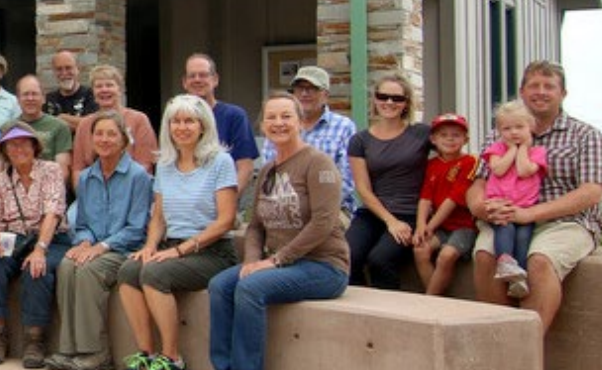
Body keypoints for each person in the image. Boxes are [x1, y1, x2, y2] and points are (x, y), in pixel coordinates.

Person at [196, 93, 349, 370]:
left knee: (250, 288)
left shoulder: (317, 163)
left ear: (299, 121)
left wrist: (277, 259)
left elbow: (324, 221)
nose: (278, 123)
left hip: (323, 266)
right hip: (281, 265)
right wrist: (252, 261)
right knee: (221, 285)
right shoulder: (267, 171)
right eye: (271, 118)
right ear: (262, 124)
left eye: (286, 117)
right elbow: (255, 226)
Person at [467, 60, 602, 341]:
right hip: (505, 219)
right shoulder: (499, 134)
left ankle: (527, 351)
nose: (541, 92)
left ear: (563, 94)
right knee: (485, 256)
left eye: (549, 86)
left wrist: (529, 214)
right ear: (522, 92)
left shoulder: (585, 135)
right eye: (534, 85)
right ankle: (502, 344)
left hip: (566, 222)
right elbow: (478, 184)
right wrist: (482, 207)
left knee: (540, 260)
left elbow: (591, 192)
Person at [113, 95, 239, 370]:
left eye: (189, 121)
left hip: (212, 252)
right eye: (176, 121)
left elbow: (226, 221)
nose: (182, 127)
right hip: (173, 246)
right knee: (129, 270)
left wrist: (181, 250)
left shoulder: (220, 161)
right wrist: (150, 247)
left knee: (154, 273)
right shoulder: (166, 164)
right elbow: (159, 215)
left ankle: (173, 361)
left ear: (203, 125)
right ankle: (146, 353)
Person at [45, 110, 152, 370]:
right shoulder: (87, 178)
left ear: (124, 140)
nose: (105, 139)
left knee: (89, 270)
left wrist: (100, 247)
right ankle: (69, 349)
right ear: (91, 139)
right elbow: (82, 223)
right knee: (68, 265)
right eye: (99, 134)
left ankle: (96, 352)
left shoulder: (138, 177)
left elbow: (137, 228)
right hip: (95, 247)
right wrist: (83, 242)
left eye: (111, 134)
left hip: (124, 250)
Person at [0, 123, 69, 369]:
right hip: (13, 238)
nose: (18, 149)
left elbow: (53, 212)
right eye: (12, 144)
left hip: (50, 237)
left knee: (36, 269)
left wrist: (40, 249)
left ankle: (34, 340)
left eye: (24, 143)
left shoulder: (51, 170)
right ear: (4, 149)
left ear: (34, 145)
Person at [347, 74, 430, 290]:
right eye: (383, 96)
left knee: (380, 260)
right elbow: (363, 189)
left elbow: (452, 151)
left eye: (397, 98)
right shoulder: (360, 140)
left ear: (406, 103)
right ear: (374, 100)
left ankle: (391, 314)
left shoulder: (422, 133)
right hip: (374, 213)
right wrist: (390, 221)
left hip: (409, 213)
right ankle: (361, 309)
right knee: (348, 256)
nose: (389, 103)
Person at [264, 66, 356, 215]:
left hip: (332, 210)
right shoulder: (280, 128)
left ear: (325, 95)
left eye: (312, 88)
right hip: (285, 209)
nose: (304, 94)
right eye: (300, 88)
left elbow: (346, 181)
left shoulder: (344, 127)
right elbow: (269, 175)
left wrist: (311, 208)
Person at [481, 101, 549, 298]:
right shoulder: (496, 149)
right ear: (499, 131)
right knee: (505, 229)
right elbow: (498, 169)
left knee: (523, 238)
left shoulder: (537, 152)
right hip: (500, 205)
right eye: (507, 128)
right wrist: (511, 149)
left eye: (519, 127)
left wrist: (523, 148)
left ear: (531, 127)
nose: (513, 132)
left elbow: (524, 170)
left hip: (526, 207)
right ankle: (504, 262)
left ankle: (518, 278)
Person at [414, 113, 478, 296]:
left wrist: (430, 226)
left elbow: (453, 199)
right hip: (440, 226)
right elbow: (425, 197)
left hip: (464, 226)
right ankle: (438, 299)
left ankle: (430, 301)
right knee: (420, 250)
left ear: (465, 139)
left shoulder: (470, 162)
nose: (450, 139)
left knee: (446, 256)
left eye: (456, 135)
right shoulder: (431, 164)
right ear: (433, 139)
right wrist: (421, 226)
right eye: (443, 135)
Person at [182, 54, 258, 196]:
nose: (197, 79)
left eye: (203, 75)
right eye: (192, 76)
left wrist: (227, 204)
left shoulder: (234, 116)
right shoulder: (176, 119)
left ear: (215, 79)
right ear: (184, 82)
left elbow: (245, 168)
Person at [70, 64, 158, 181]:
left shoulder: (139, 120)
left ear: (120, 89)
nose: (104, 90)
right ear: (93, 92)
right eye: (99, 86)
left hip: (131, 189)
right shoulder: (84, 125)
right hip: (93, 191)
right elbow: (78, 169)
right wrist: (84, 194)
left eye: (109, 85)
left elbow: (145, 164)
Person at [15, 75, 74, 169]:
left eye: (34, 94)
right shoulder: (9, 128)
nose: (30, 98)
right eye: (25, 94)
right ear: (17, 99)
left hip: (50, 181)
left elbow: (62, 169)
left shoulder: (59, 127)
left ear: (44, 98)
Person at [44, 51, 97, 129]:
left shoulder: (91, 95)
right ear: (54, 72)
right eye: (59, 69)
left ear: (77, 69)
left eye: (68, 68)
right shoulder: (48, 99)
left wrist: (62, 118)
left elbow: (94, 124)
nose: (64, 73)